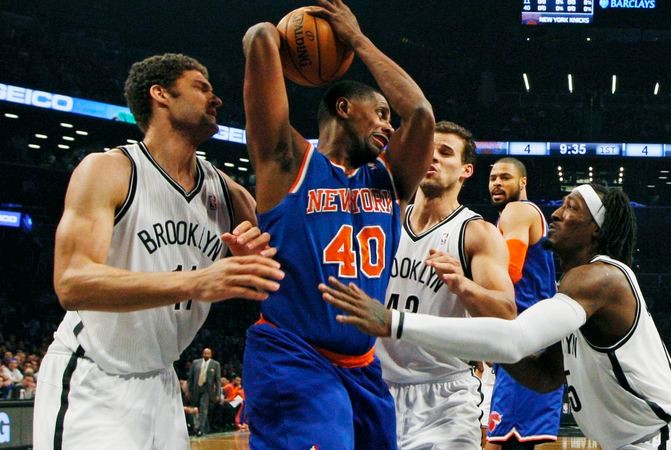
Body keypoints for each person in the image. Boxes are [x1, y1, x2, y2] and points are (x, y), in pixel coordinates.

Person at [320, 184, 671, 450]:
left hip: (666, 439)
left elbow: (513, 340)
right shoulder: (579, 293)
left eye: (571, 208)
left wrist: (394, 322)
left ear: (596, 231)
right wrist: (480, 342)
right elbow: (544, 376)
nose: (556, 214)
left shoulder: (598, 278)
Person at [32, 53, 284, 450]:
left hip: (162, 382)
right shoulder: (110, 170)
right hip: (92, 378)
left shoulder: (229, 193)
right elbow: (72, 282)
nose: (216, 98)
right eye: (201, 87)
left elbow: (276, 277)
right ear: (160, 94)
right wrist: (197, 282)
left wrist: (254, 259)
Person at [241, 0, 435, 447]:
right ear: (344, 108)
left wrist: (356, 40)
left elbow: (421, 113)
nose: (389, 126)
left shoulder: (391, 178)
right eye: (380, 113)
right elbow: (258, 36)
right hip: (293, 356)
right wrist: (295, 36)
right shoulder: (289, 163)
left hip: (362, 365)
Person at [376, 121, 515, 449]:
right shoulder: (382, 218)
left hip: (444, 394)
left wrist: (464, 286)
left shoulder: (477, 233)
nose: (433, 157)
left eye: (445, 152)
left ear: (466, 170)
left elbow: (507, 314)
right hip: (375, 386)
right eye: (427, 150)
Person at [485, 157, 563, 449]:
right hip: (534, 335)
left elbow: (511, 271)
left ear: (523, 182)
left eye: (505, 177)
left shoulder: (517, 210)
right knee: (513, 440)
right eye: (493, 178)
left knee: (505, 441)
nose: (496, 183)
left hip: (524, 335)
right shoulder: (523, 214)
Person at [188, 347, 222, 436]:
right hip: (195, 388)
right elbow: (190, 377)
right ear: (202, 354)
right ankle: (202, 427)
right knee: (195, 408)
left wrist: (218, 393)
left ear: (211, 355)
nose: (206, 355)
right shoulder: (196, 362)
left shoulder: (215, 364)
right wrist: (188, 390)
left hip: (207, 389)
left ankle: (201, 429)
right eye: (205, 353)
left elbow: (218, 380)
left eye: (208, 353)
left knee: (203, 409)